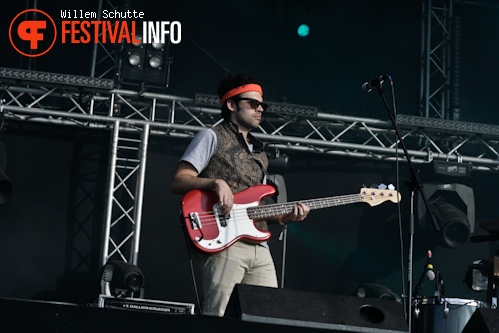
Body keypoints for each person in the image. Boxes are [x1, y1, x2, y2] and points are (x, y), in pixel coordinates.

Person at [171, 73, 310, 317]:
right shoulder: (211, 136)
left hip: (259, 247)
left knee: (269, 315)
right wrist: (215, 182)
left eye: (262, 105)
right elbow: (179, 180)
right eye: (253, 103)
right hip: (224, 243)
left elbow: (261, 207)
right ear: (232, 105)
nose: (260, 109)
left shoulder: (260, 153)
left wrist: (285, 217)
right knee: (219, 315)